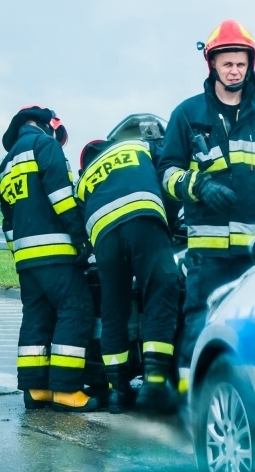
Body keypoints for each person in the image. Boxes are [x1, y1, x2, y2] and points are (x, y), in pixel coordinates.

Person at [157, 19, 255, 396]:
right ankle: (194, 400)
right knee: (200, 324)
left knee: (252, 326)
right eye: (227, 64)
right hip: (207, 253)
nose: (234, 70)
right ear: (213, 66)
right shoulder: (188, 115)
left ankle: (248, 396)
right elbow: (167, 172)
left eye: (240, 63)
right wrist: (199, 185)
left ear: (250, 65)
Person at [0, 105, 98, 412]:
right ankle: (67, 391)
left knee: (36, 317)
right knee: (75, 308)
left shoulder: (6, 164)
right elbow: (62, 197)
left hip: (27, 258)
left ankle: (36, 389)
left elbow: (8, 221)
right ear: (49, 125)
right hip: (55, 250)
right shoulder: (44, 145)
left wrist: (19, 256)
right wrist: (82, 237)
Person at [76, 134, 181, 415]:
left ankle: (117, 391)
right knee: (162, 287)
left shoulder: (84, 178)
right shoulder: (137, 145)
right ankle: (155, 383)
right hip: (143, 217)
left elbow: (78, 219)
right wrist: (168, 223)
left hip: (104, 236)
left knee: (114, 308)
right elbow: (170, 179)